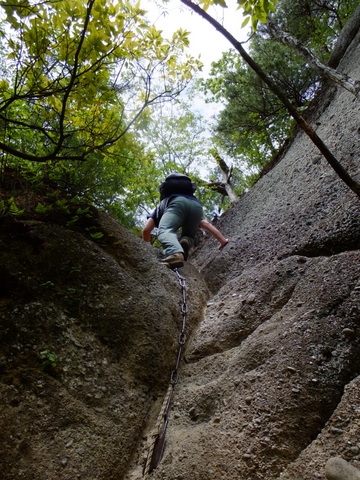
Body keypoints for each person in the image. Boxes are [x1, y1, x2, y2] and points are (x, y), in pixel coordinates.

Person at [142, 172, 229, 268]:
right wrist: (223, 240)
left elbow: (146, 230)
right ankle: (185, 240)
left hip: (176, 204)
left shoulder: (162, 205)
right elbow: (205, 224)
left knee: (165, 230)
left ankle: (174, 253)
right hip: (196, 206)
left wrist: (147, 251)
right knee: (189, 236)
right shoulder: (190, 199)